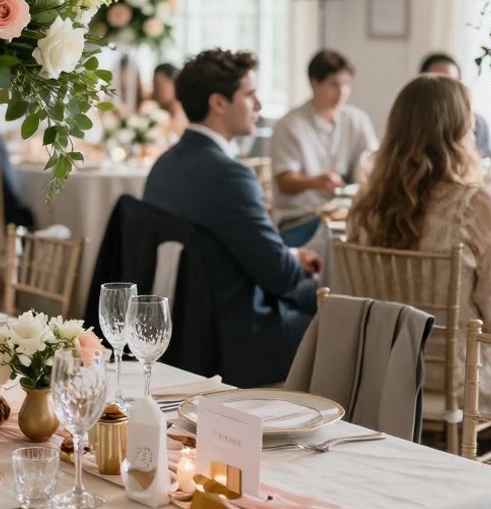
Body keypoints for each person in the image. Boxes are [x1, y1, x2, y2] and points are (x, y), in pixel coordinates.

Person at [347, 74, 491, 408]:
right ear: (459, 133)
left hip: (383, 371)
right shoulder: (475, 204)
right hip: (453, 377)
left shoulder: (365, 206)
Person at [144, 49, 321, 385]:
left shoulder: (163, 165)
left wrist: (290, 256)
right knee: (335, 318)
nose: (259, 105)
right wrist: (295, 261)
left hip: (183, 332)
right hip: (235, 342)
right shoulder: (230, 175)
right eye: (250, 94)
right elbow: (279, 277)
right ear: (218, 103)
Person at [269, 50, 378, 246]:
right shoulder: (290, 124)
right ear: (314, 83)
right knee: (341, 240)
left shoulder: (356, 120)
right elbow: (284, 181)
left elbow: (372, 163)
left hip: (341, 214)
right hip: (299, 219)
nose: (342, 91)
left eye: (346, 84)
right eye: (334, 84)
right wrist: (316, 182)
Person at [420, 52, 491, 159]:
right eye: (437, 82)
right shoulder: (411, 121)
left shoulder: (477, 123)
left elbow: (485, 160)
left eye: (452, 82)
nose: (446, 89)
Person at [150, 63, 187, 134]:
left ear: (174, 83)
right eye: (154, 85)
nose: (157, 91)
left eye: (160, 85)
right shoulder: (153, 114)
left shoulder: (186, 116)